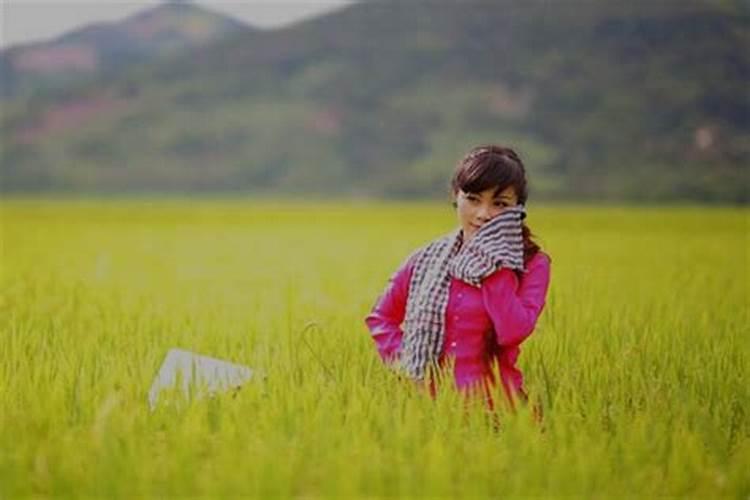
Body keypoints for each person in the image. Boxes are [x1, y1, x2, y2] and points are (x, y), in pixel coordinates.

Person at [365, 145, 551, 408]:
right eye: (473, 199)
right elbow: (381, 318)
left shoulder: (532, 264)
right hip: (428, 409)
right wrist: (407, 361)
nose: (483, 214)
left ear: (517, 210)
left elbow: (513, 331)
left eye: (499, 204)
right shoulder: (425, 258)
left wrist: (493, 266)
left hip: (498, 409)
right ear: (456, 196)